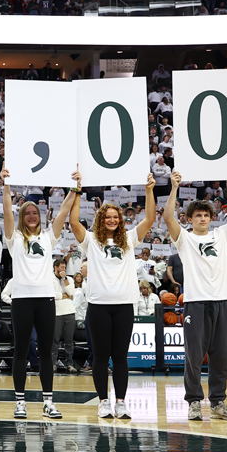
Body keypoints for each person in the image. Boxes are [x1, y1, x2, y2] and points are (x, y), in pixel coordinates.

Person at [164, 170, 227, 422]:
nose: (202, 218)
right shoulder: (184, 239)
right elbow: (167, 217)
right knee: (193, 356)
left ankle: (218, 402)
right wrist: (174, 188)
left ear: (211, 218)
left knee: (220, 356)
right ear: (190, 219)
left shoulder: (221, 234)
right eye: (198, 215)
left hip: (222, 302)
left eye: (206, 215)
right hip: (195, 303)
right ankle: (194, 402)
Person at [70, 172, 156, 418]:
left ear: (121, 220)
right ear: (100, 219)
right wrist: (77, 191)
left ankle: (121, 402)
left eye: (115, 217)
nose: (111, 220)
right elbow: (74, 222)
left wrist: (149, 190)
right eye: (107, 216)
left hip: (123, 307)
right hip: (98, 306)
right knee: (100, 356)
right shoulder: (91, 241)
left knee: (120, 356)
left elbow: (150, 218)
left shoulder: (129, 239)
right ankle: (103, 401)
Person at [4, 168, 75, 419]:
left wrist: (74, 189)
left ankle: (48, 401)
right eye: (27, 213)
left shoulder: (48, 237)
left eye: (35, 213)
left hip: (46, 300)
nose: (32, 216)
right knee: (21, 350)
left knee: (46, 351)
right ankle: (20, 402)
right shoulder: (13, 238)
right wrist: (6, 186)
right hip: (21, 300)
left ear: (40, 216)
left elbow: (65, 211)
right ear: (22, 217)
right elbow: (6, 213)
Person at [50, 258, 76, 371]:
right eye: (61, 267)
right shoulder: (49, 278)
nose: (63, 269)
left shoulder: (68, 279)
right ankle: (53, 363)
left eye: (65, 268)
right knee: (54, 340)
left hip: (69, 311)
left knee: (69, 340)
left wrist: (65, 278)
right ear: (55, 267)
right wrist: (63, 296)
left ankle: (69, 363)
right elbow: (51, 294)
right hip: (56, 313)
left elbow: (71, 292)